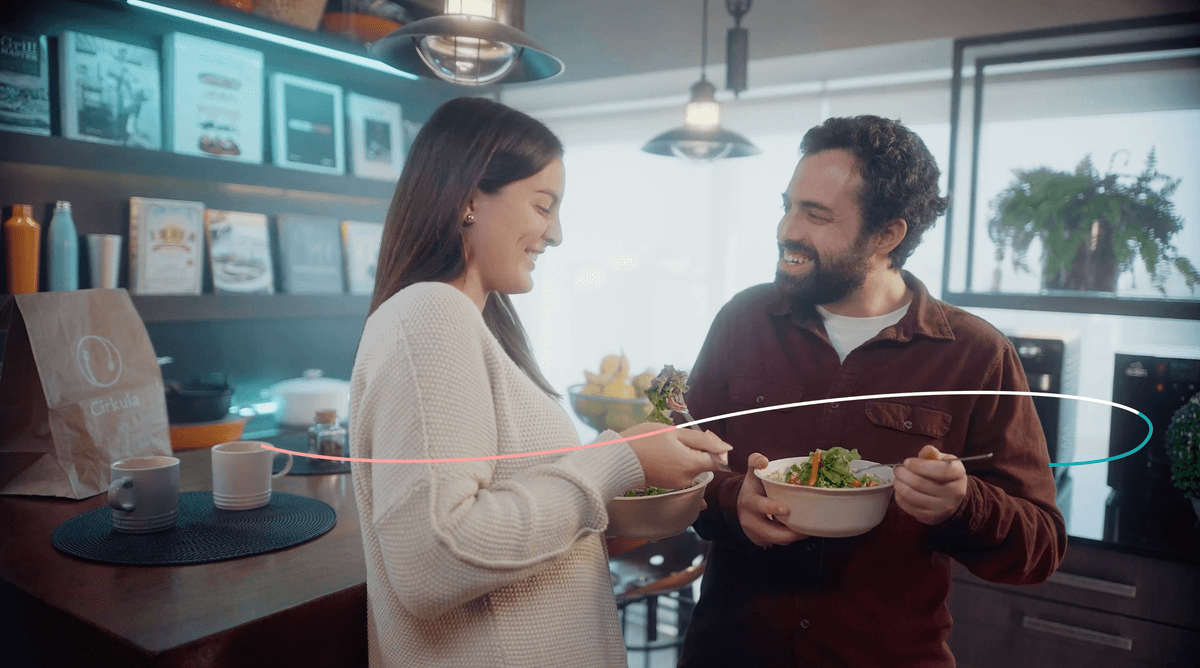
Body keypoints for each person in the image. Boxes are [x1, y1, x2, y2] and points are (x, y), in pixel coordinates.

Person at [347, 96, 731, 668]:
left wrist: (632, 488)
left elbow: (508, 526)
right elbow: (434, 559)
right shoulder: (431, 313)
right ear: (471, 198)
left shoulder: (470, 326)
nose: (555, 235)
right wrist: (620, 459)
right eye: (543, 205)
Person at [676, 115, 1067, 668]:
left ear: (887, 236)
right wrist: (728, 500)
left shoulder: (975, 354)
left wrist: (962, 505)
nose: (788, 228)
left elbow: (1041, 548)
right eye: (788, 205)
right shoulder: (744, 321)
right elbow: (681, 470)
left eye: (817, 215)